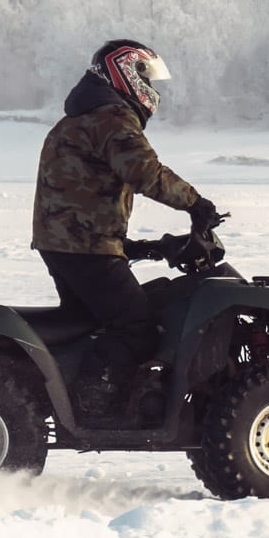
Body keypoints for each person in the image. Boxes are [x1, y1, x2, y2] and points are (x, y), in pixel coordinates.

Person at [31, 39, 223, 410]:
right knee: (137, 328)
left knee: (88, 323)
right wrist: (196, 204)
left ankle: (70, 392)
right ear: (125, 73)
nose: (152, 88)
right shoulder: (110, 118)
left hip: (67, 244)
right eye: (146, 77)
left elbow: (79, 198)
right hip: (85, 249)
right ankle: (91, 401)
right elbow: (144, 172)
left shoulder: (82, 117)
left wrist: (135, 246)